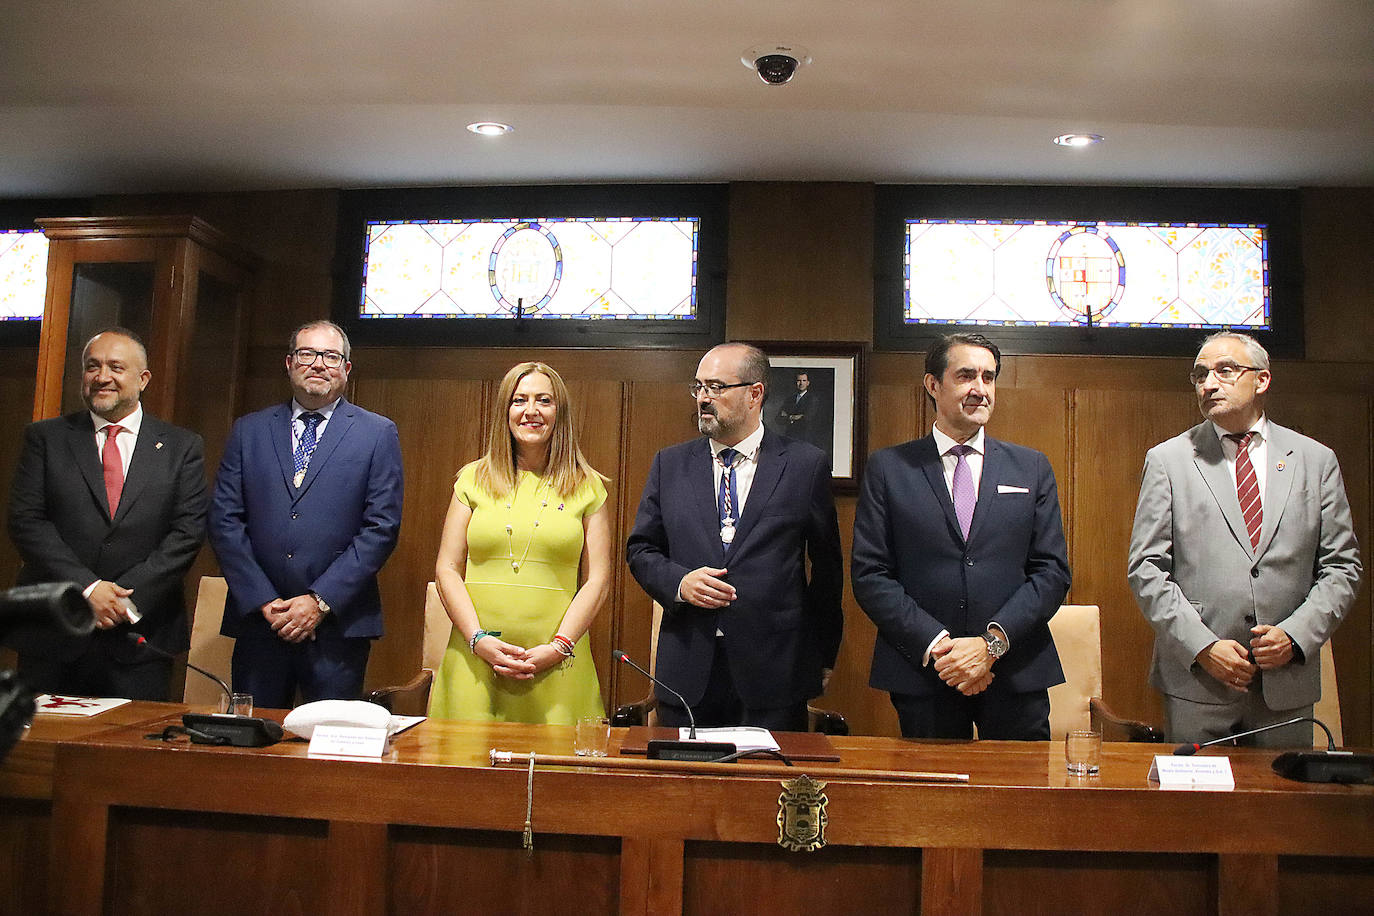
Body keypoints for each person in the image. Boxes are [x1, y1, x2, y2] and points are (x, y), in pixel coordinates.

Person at [1127, 332, 1361, 748]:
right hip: (1199, 681)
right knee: (1196, 810)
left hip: (1285, 682)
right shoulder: (1169, 459)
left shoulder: (1315, 460)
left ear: (1262, 380)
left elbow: (1342, 567)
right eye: (1200, 375)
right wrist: (1202, 646)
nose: (1208, 384)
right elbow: (1146, 569)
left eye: (1224, 371)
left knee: (1284, 809)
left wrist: (1296, 635)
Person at [852, 333, 1070, 740]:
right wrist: (942, 649)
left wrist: (989, 646)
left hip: (1016, 669)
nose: (980, 389)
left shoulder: (1031, 468)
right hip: (926, 672)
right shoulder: (890, 468)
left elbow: (1051, 572)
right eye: (966, 376)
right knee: (934, 803)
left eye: (989, 378)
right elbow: (871, 574)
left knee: (1021, 799)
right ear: (933, 385)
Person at [626, 343, 843, 732]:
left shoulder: (804, 465)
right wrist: (679, 582)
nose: (703, 399)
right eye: (698, 388)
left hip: (776, 672)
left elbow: (827, 569)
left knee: (769, 791)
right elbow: (641, 551)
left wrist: (823, 655)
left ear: (754, 393)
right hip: (688, 670)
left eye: (716, 387)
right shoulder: (670, 464)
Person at [208, 320, 403, 708]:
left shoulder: (377, 434)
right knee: (253, 748)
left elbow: (381, 528)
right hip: (262, 625)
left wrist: (317, 602)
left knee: (328, 752)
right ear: (289, 362)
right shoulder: (249, 430)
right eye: (307, 354)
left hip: (337, 628)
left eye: (331, 356)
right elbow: (225, 521)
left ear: (347, 368)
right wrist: (266, 602)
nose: (318, 364)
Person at [6, 328, 208, 700]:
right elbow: (27, 521)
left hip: (140, 638)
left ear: (143, 379)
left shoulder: (181, 446)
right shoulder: (45, 438)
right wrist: (89, 589)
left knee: (130, 755)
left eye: (116, 367)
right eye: (92, 367)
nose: (102, 377)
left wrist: (122, 601)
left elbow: (187, 532)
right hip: (55, 632)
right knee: (43, 756)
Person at [428, 362, 611, 724]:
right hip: (474, 658)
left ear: (561, 413)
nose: (531, 411)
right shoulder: (472, 479)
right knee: (464, 771)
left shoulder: (588, 485)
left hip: (557, 663)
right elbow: (447, 568)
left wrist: (559, 648)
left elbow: (598, 580)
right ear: (504, 411)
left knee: (555, 775)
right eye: (519, 400)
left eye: (544, 400)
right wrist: (477, 639)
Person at [776, 371, 817, 444]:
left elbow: (808, 418)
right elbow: (778, 419)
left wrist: (788, 417)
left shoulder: (812, 399)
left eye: (804, 381)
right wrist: (795, 417)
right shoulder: (789, 399)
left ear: (808, 383)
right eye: (799, 380)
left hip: (804, 439)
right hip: (789, 438)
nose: (801, 383)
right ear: (795, 382)